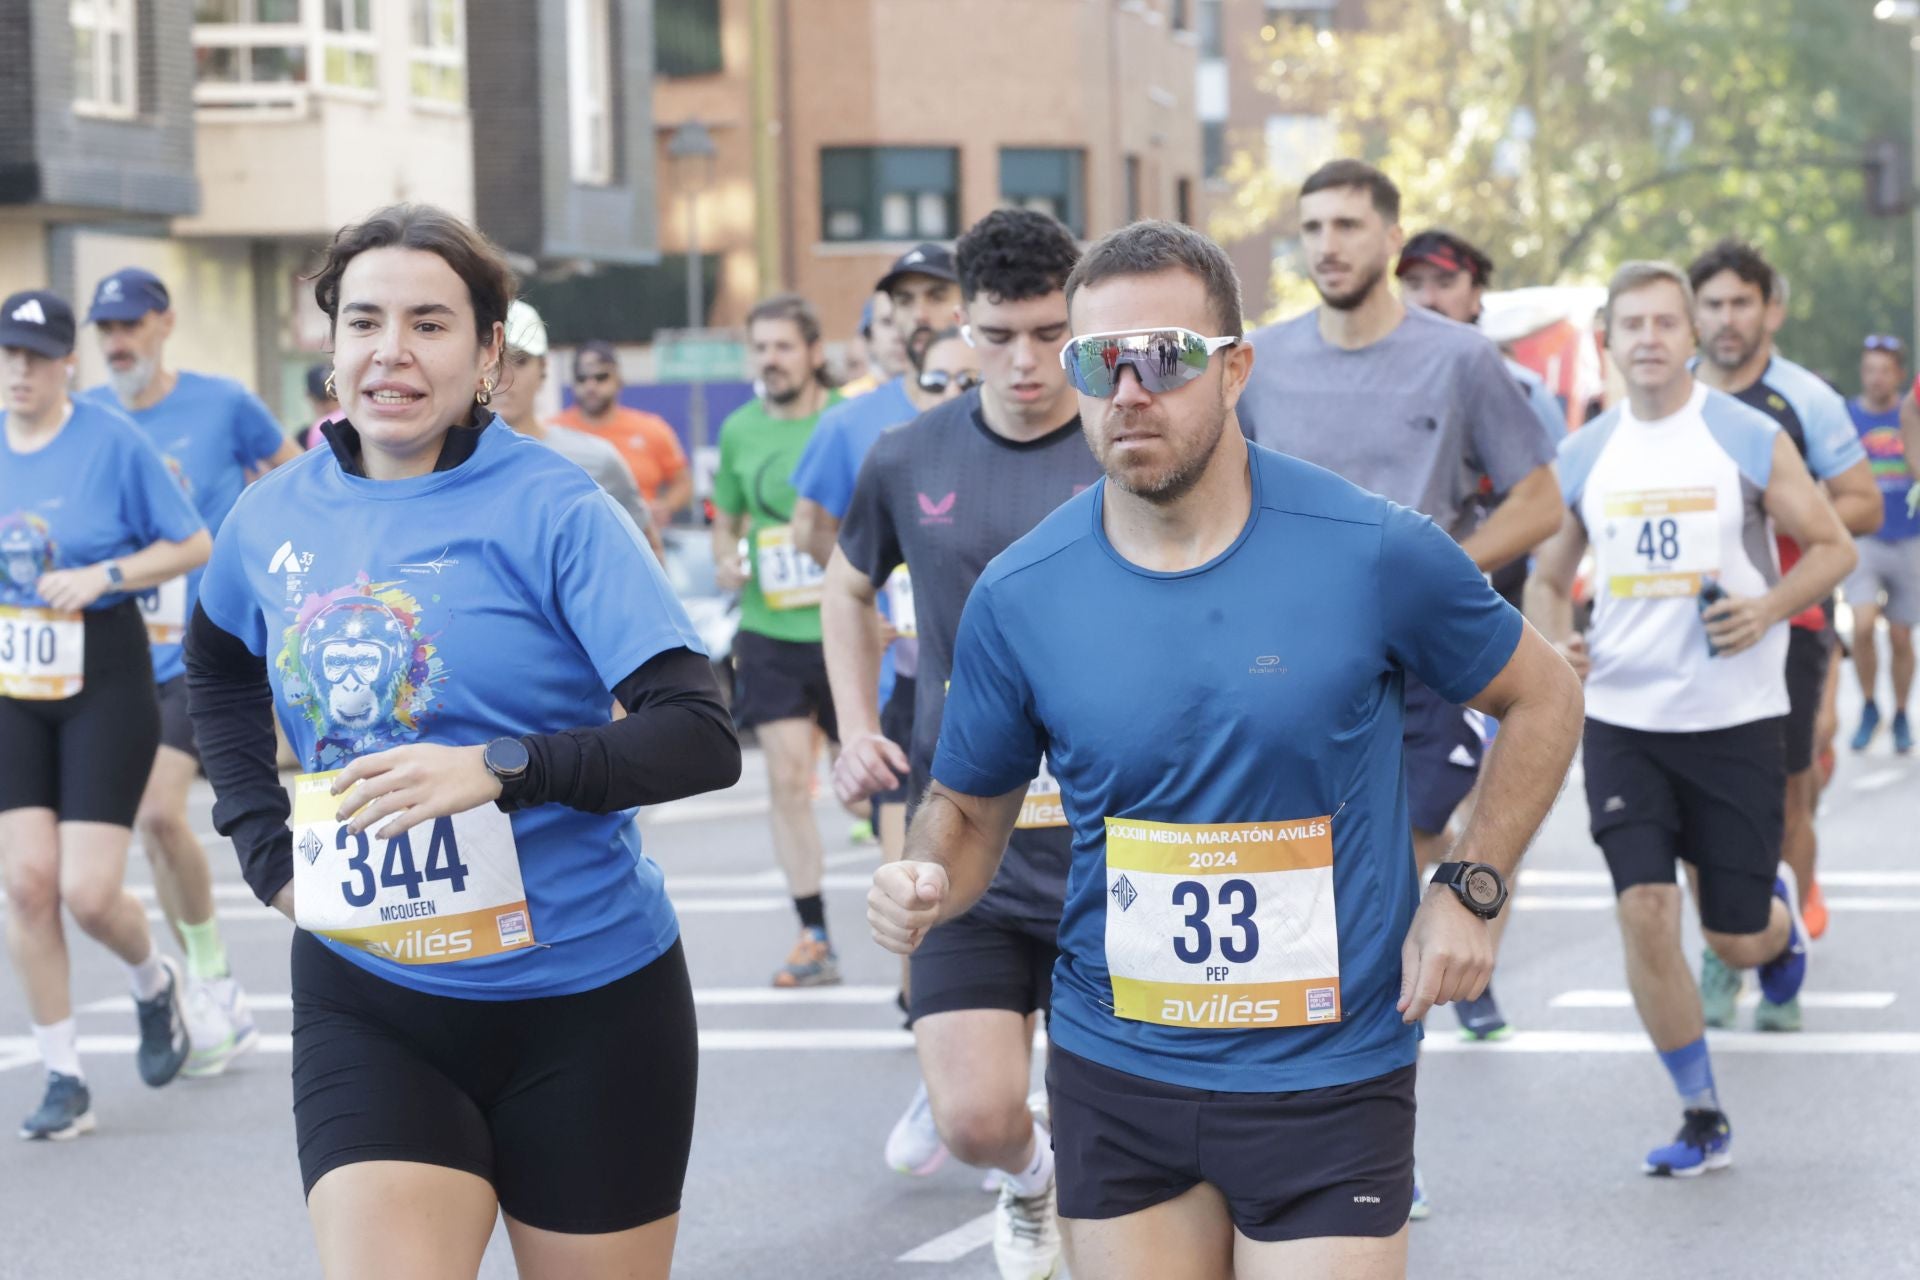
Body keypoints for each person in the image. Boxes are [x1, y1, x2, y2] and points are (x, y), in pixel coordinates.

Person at [871, 219, 1582, 1280]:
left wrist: (1471, 886)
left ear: (1236, 368)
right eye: (1098, 361)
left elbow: (1546, 694)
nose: (1128, 391)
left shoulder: (1371, 549)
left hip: (1329, 1071)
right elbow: (970, 809)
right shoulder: (1023, 592)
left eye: (1164, 357)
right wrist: (929, 874)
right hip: (1119, 1067)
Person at [184, 203, 740, 1278]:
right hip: (370, 989)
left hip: (587, 1004)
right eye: (364, 321)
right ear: (330, 343)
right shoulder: (269, 517)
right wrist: (261, 843)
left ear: (489, 351)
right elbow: (215, 663)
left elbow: (698, 735)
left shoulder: (557, 507)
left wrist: (500, 769)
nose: (391, 352)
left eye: (430, 324)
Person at [1237, 162, 1563, 1185]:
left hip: (1417, 668)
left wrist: (1432, 578)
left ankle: (1379, 1129)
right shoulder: (1265, 361)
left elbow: (1541, 500)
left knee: (1390, 870)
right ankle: (1293, 1095)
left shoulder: (1462, 358)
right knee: (1299, 882)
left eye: (1346, 224)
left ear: (1390, 235)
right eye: (1311, 227)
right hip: (1282, 661)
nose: (1326, 244)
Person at [1527, 259, 1852, 1178]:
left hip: (1736, 719)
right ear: (1607, 339)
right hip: (1625, 721)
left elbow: (1831, 546)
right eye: (1632, 323)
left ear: (1690, 335)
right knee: (1644, 908)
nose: (1650, 338)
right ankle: (1701, 1109)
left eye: (1667, 322)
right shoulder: (1586, 452)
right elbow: (1550, 580)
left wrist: (1769, 606)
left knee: (1731, 935)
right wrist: (1560, 644)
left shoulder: (1745, 437)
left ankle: (1775, 930)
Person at [827, 208, 1090, 1280]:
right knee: (977, 1116)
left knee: (1122, 1130)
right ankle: (1033, 1177)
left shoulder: (1134, 441)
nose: (1023, 360)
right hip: (961, 827)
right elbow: (848, 590)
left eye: (1048, 331)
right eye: (997, 334)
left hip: (1110, 843)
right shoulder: (905, 456)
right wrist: (853, 728)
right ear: (957, 328)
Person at [0, 288, 212, 1139]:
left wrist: (106, 577)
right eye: (7, 355)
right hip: (13, 676)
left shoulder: (109, 440)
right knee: (27, 882)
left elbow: (192, 542)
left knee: (89, 893)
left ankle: (154, 980)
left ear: (65, 365)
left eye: (36, 356)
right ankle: (63, 1076)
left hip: (105, 674)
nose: (18, 370)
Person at [82, 265, 299, 1075]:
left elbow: (291, 478)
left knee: (158, 810)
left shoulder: (222, 404)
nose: (117, 342)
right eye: (105, 330)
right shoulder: (89, 419)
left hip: (202, 651)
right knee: (150, 822)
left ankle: (209, 980)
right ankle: (202, 976)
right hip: (111, 656)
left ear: (164, 324)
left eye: (130, 325)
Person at [1687, 239, 1879, 981]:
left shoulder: (1806, 398)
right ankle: (1720, 940)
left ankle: (1782, 941)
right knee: (1697, 798)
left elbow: (1860, 502)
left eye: (1742, 302)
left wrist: (1782, 510)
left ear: (1772, 310)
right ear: (1693, 313)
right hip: (1689, 627)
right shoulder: (1667, 395)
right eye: (1713, 304)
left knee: (1791, 791)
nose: (1727, 319)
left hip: (1790, 620)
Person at [711, 293, 847, 986]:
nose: (770, 359)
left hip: (849, 631)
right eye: (760, 347)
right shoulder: (738, 430)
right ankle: (813, 931)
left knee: (867, 790)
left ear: (814, 353)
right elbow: (726, 522)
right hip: (769, 630)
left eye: (783, 346)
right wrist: (726, 558)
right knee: (788, 782)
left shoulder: (847, 420)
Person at [492, 300, 663, 560]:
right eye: (494, 358)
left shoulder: (597, 459)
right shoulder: (439, 463)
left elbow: (647, 556)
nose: (504, 375)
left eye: (520, 360)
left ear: (544, 369)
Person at [1844, 335, 1918, 754]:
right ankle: (1870, 704)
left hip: (1909, 535)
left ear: (1899, 375)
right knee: (1863, 624)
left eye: (1884, 371)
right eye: (1869, 369)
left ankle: (1903, 713)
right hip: (1864, 538)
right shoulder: (1846, 416)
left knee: (1903, 638)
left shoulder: (1912, 413)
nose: (1876, 378)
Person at [551, 341, 693, 526]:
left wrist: (666, 506)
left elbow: (683, 483)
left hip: (639, 535)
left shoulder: (652, 429)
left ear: (618, 380)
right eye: (582, 378)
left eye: (601, 377)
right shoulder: (554, 432)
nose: (591, 385)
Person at [303, 361, 342, 449]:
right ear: (309, 397)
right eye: (324, 399)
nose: (331, 405)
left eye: (334, 395)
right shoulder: (302, 437)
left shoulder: (319, 429)